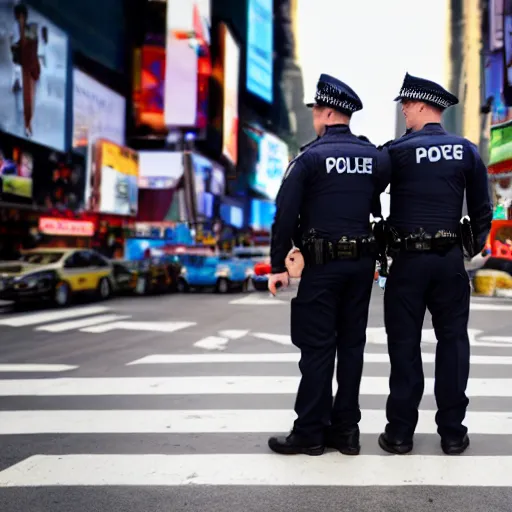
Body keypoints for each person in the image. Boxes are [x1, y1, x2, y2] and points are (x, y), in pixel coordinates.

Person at [267, 73, 391, 456]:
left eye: (317, 111)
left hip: (321, 266)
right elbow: (376, 199)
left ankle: (310, 432)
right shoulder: (374, 157)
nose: (315, 118)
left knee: (318, 348)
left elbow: (285, 215)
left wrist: (278, 265)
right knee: (351, 346)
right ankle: (346, 432)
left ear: (328, 112)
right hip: (360, 267)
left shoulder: (309, 158)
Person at [378, 73, 493, 456]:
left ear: (424, 106)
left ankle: (399, 434)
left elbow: (364, 194)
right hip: (448, 262)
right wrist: (467, 249)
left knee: (404, 347)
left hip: (408, 263)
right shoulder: (466, 150)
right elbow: (481, 209)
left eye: (407, 104)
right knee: (453, 345)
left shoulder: (395, 151)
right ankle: (453, 433)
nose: (404, 110)